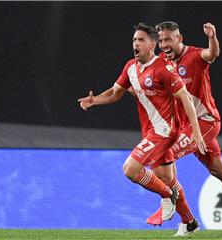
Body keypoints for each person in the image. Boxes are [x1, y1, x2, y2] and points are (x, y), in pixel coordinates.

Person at [78, 23, 206, 224]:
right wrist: (94, 101)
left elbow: (186, 99)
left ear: (153, 44)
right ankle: (190, 223)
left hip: (165, 131)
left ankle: (167, 196)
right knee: (168, 179)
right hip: (150, 132)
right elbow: (114, 93)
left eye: (141, 40)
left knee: (130, 169)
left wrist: (196, 132)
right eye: (134, 40)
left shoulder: (164, 69)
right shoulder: (130, 67)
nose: (135, 44)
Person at [146, 21, 222, 235]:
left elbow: (212, 53)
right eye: (161, 40)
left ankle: (170, 202)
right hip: (185, 127)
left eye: (168, 39)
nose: (163, 44)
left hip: (206, 122)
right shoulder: (162, 62)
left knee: (164, 155)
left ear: (179, 39)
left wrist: (212, 37)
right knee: (218, 170)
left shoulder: (195, 56)